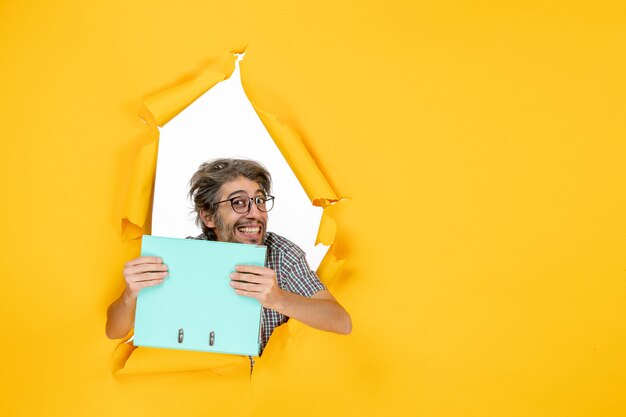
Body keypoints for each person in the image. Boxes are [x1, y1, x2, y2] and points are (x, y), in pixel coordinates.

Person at [106, 158, 351, 356]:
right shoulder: (183, 259)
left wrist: (278, 299)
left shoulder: (282, 254)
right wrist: (129, 295)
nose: (255, 212)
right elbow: (115, 331)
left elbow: (341, 321)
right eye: (239, 202)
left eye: (259, 200)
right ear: (209, 217)